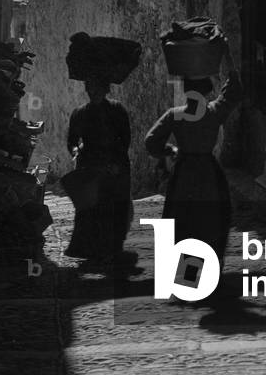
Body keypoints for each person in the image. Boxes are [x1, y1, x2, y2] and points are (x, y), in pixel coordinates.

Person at [145, 47, 243, 273]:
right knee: (211, 220)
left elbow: (151, 142)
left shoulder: (175, 115)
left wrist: (169, 150)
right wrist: (227, 54)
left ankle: (187, 272)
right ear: (206, 92)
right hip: (209, 173)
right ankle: (210, 271)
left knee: (184, 221)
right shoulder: (214, 112)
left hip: (184, 174)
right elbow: (234, 91)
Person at [65, 75, 132, 262]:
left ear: (105, 89)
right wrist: (76, 151)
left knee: (114, 207)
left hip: (114, 164)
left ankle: (112, 246)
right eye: (90, 89)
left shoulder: (117, 110)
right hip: (90, 164)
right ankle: (91, 248)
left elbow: (124, 139)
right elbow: (72, 141)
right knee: (90, 208)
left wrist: (116, 163)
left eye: (97, 89)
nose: (93, 93)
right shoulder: (79, 113)